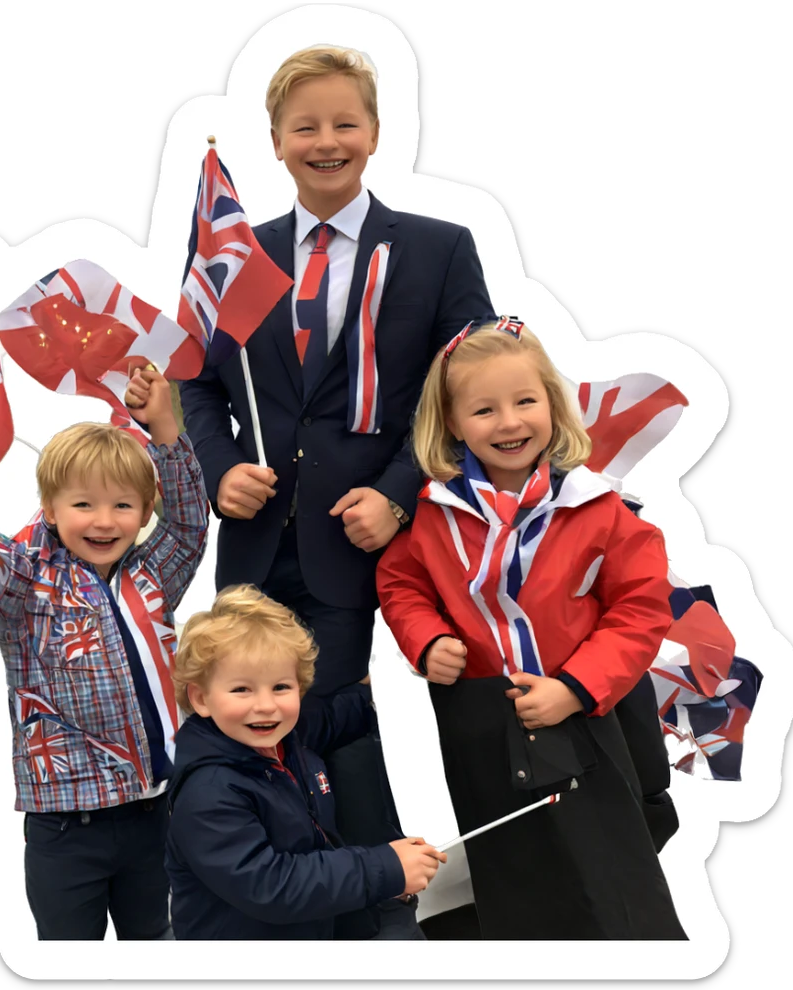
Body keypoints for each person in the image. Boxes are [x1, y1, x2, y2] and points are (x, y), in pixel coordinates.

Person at [177, 44, 494, 937]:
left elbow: (462, 388)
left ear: (377, 133)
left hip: (359, 546)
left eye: (343, 123)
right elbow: (196, 380)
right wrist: (215, 467)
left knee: (341, 734)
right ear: (276, 142)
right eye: (305, 126)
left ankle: (374, 917)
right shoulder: (236, 254)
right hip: (251, 544)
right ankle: (261, 904)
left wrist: (399, 489)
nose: (327, 140)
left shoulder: (437, 249)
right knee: (247, 719)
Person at [376, 318, 687, 939]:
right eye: (484, 409)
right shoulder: (436, 514)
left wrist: (574, 686)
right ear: (453, 423)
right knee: (514, 869)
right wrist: (426, 640)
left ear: (552, 404)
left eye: (525, 401)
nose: (510, 422)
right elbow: (400, 583)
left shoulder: (599, 508)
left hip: (590, 715)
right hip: (483, 726)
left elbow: (641, 609)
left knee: (610, 874)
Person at [0, 369, 208, 940]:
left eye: (123, 505)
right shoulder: (23, 586)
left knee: (154, 944)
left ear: (143, 510)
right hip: (64, 826)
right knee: (68, 961)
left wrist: (166, 430)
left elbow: (191, 521)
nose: (105, 521)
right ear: (50, 509)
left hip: (155, 813)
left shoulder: (155, 573)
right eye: (84, 504)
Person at [165, 584, 446, 939]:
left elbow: (331, 719)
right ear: (201, 699)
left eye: (281, 687)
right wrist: (385, 870)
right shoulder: (208, 794)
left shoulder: (286, 741)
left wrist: (379, 691)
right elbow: (272, 885)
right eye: (242, 689)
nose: (266, 705)